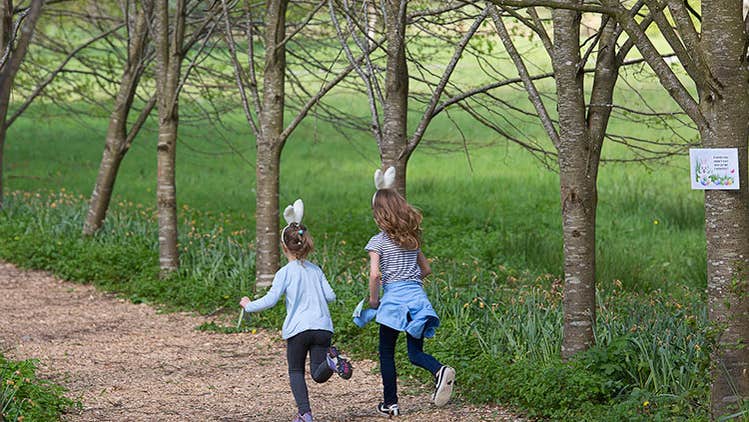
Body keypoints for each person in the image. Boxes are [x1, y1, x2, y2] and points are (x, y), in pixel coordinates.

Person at [239, 199, 352, 422]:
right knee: (318, 373)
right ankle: (331, 362)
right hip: (322, 328)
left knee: (296, 372)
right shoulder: (316, 270)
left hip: (299, 329)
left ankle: (305, 414)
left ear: (284, 247)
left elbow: (271, 300)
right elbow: (331, 296)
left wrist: (248, 305)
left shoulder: (285, 273)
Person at [364, 167, 456, 418]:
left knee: (386, 353)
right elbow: (426, 269)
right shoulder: (411, 239)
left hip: (393, 302)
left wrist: (374, 301)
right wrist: (411, 281)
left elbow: (375, 275)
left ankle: (390, 404)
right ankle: (439, 370)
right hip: (417, 299)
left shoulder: (378, 242)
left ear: (379, 214)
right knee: (415, 353)